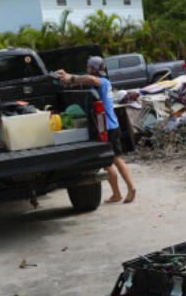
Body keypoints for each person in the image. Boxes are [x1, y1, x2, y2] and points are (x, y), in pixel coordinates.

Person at [55, 56, 137, 203]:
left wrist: (71, 78)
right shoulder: (104, 83)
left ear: (94, 69)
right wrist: (67, 75)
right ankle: (121, 192)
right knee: (113, 161)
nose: (87, 69)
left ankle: (125, 190)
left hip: (106, 129)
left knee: (110, 162)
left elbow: (91, 79)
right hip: (112, 126)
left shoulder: (100, 82)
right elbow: (87, 80)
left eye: (88, 67)